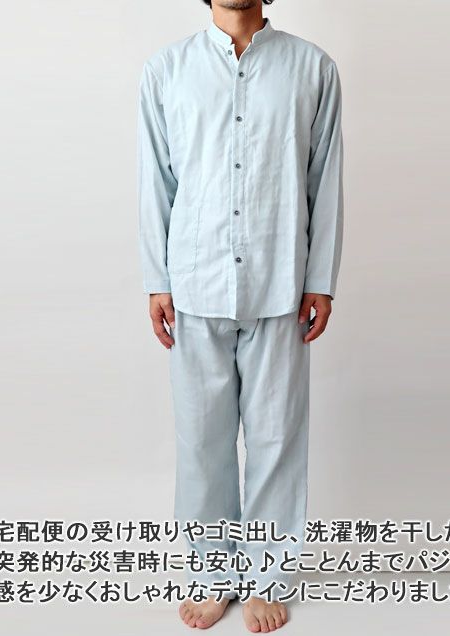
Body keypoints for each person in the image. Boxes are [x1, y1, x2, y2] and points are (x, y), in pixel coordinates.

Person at [137, 0, 343, 630]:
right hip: (194, 282)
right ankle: (211, 575)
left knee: (277, 441)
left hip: (280, 280)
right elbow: (156, 179)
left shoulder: (312, 68)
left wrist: (320, 279)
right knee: (202, 444)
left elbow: (325, 178)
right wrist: (156, 279)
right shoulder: (166, 70)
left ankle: (267, 578)